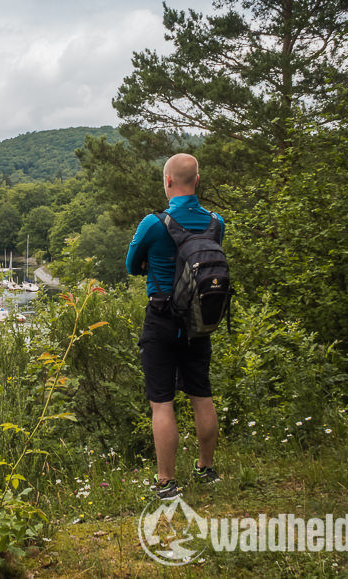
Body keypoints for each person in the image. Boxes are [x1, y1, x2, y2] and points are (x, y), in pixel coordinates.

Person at [125, 153, 224, 500]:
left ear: (168, 182)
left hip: (162, 318)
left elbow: (130, 265)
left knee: (162, 403)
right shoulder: (216, 222)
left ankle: (166, 483)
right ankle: (206, 469)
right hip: (199, 322)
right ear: (197, 182)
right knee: (202, 394)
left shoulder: (153, 223)